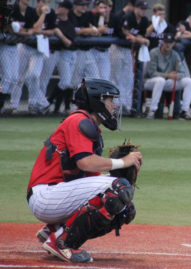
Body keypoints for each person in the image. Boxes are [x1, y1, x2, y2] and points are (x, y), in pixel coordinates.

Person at [26, 78, 142, 263]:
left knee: (125, 209)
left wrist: (118, 174)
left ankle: (56, 229)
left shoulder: (87, 124)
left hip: (56, 194)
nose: (113, 106)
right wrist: (121, 163)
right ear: (97, 101)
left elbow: (87, 176)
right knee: (118, 189)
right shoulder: (79, 121)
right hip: (46, 195)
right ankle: (61, 241)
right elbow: (85, 163)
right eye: (110, 100)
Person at [10, 0, 56, 114]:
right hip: (25, 47)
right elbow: (34, 28)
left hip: (39, 49)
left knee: (34, 75)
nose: (46, 4)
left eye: (48, 2)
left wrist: (43, 30)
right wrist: (43, 15)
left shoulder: (51, 14)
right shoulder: (31, 11)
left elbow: (53, 31)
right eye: (43, 2)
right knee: (18, 77)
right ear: (38, 3)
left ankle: (34, 103)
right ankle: (14, 105)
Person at [144, 33, 191, 120]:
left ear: (173, 44)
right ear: (162, 42)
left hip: (167, 82)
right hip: (150, 81)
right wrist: (168, 75)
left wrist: (177, 75)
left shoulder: (175, 54)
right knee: (160, 80)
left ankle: (185, 111)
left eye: (170, 42)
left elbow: (182, 72)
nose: (168, 44)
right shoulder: (154, 52)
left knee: (189, 81)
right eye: (166, 42)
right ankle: (152, 110)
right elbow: (151, 73)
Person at [117, 0, 150, 114]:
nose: (143, 11)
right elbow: (124, 31)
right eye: (141, 8)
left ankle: (125, 105)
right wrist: (139, 39)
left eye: (145, 9)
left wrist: (138, 38)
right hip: (117, 48)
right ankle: (115, 105)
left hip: (128, 51)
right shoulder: (128, 17)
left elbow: (142, 34)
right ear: (135, 8)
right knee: (116, 77)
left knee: (128, 77)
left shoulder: (144, 20)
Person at [46, 0, 77, 114]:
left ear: (67, 10)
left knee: (68, 82)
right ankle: (48, 102)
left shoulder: (70, 21)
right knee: (65, 82)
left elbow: (71, 40)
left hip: (71, 52)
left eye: (61, 6)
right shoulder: (55, 19)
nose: (58, 8)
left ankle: (57, 105)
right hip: (58, 52)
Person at [69, 0, 101, 91]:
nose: (84, 7)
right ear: (74, 5)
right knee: (74, 82)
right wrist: (86, 30)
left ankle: (89, 103)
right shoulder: (70, 15)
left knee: (95, 78)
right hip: (75, 51)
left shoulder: (88, 15)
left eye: (86, 5)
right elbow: (72, 32)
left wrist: (87, 31)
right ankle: (74, 104)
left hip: (87, 50)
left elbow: (96, 32)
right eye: (81, 5)